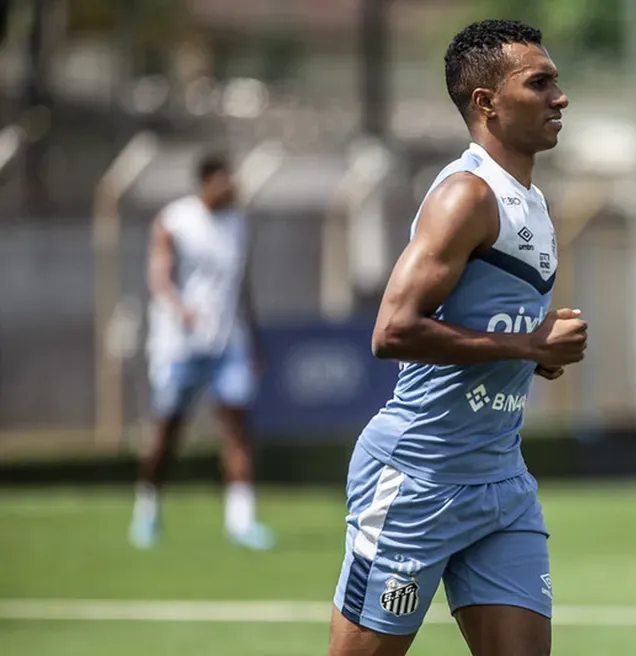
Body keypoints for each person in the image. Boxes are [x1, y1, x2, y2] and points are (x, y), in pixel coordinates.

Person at [328, 19, 585, 656]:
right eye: (540, 82)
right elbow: (392, 331)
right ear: (486, 103)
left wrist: (537, 354)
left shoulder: (533, 202)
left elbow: (485, 329)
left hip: (501, 482)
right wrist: (527, 347)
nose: (561, 97)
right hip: (419, 477)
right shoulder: (465, 197)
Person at [129, 152, 274, 551]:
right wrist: (181, 310)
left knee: (237, 430)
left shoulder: (239, 225)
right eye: (227, 181)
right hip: (180, 345)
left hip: (230, 344)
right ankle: (148, 507)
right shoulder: (174, 221)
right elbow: (159, 277)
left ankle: (241, 522)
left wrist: (254, 341)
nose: (235, 189)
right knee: (167, 430)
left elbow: (242, 288)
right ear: (207, 181)